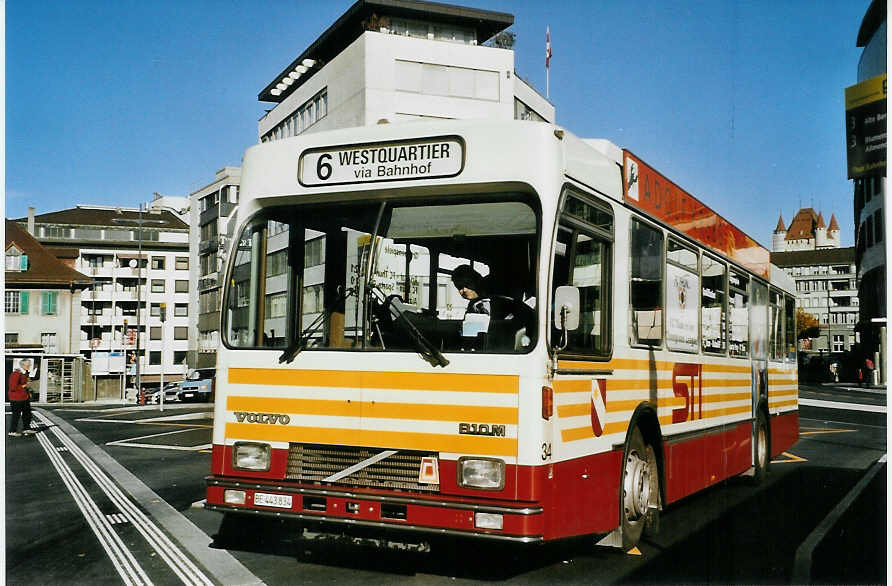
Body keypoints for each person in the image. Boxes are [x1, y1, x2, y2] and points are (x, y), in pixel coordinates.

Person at [451, 265, 534, 340]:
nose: (462, 291)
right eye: (459, 288)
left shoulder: (497, 299)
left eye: (465, 285)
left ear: (473, 281)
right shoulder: (473, 305)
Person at [8, 359, 35, 437]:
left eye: (29, 365)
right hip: (16, 398)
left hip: (24, 397)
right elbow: (12, 387)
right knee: (16, 415)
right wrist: (24, 386)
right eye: (28, 365)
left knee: (27, 413)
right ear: (22, 365)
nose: (29, 366)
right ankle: (12, 431)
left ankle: (26, 428)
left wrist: (28, 390)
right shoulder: (16, 374)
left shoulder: (24, 373)